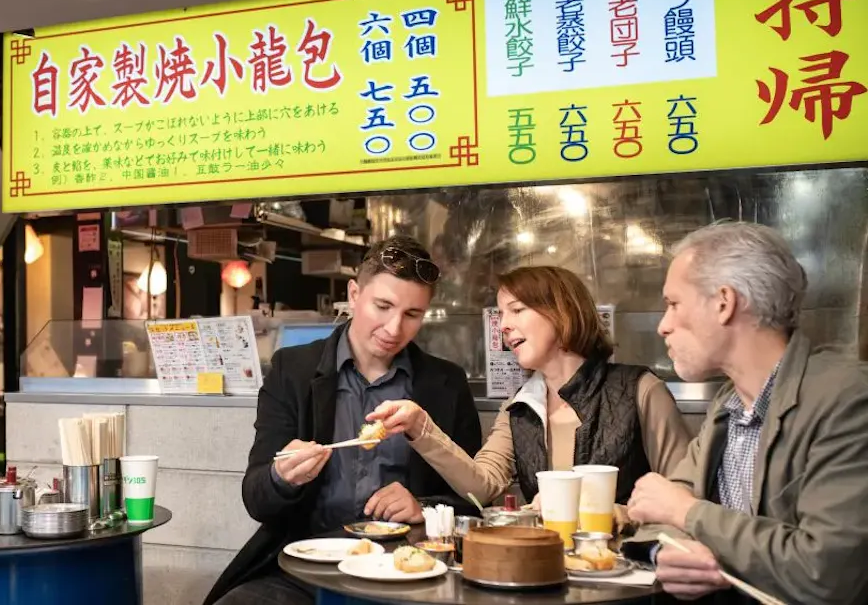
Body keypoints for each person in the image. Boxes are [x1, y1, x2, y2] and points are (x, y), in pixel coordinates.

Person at [204, 236, 483, 605]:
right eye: (383, 306)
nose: (394, 328)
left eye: (412, 314)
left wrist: (424, 507)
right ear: (354, 295)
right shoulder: (293, 371)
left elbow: (476, 500)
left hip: (406, 568)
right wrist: (282, 477)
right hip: (307, 566)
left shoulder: (444, 383)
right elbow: (256, 499)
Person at [625, 222, 868, 604]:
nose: (663, 326)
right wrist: (666, 553)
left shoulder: (848, 399)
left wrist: (689, 514)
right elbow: (657, 514)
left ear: (724, 302)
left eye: (673, 304)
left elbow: (826, 575)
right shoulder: (728, 405)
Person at [369, 266, 691, 524]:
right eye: (501, 314)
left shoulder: (640, 390)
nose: (503, 326)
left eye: (517, 310)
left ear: (561, 311)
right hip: (545, 569)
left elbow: (685, 499)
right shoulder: (521, 406)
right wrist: (420, 427)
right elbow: (482, 486)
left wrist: (616, 515)